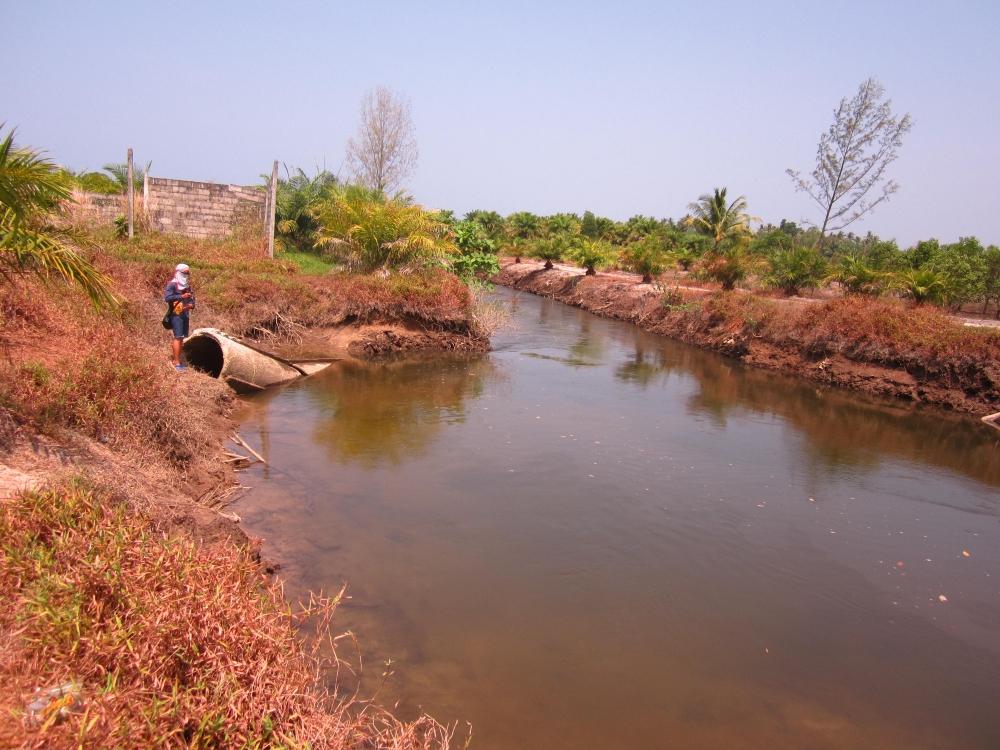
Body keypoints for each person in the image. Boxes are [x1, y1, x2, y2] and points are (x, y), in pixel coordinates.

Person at [164, 263, 195, 370]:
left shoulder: (187, 285)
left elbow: (191, 298)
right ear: (178, 273)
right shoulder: (172, 284)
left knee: (181, 337)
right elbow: (168, 298)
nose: (187, 275)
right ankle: (176, 362)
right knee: (177, 337)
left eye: (188, 273)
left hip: (184, 314)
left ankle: (178, 359)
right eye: (185, 273)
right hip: (176, 315)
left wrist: (191, 304)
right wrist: (181, 296)